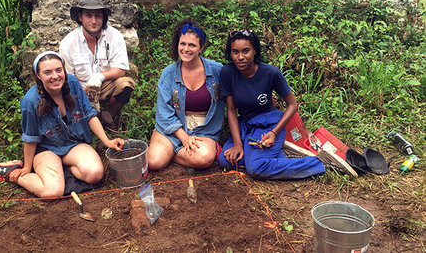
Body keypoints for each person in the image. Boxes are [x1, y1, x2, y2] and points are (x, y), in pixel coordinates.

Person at [0, 51, 124, 198]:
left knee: (95, 174)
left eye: (58, 70)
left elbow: (89, 115)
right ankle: (11, 173)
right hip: (46, 149)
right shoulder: (30, 101)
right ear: (38, 75)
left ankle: (60, 170)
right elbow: (30, 137)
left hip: (73, 144)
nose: (55, 76)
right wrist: (27, 168)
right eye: (47, 72)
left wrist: (107, 141)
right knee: (52, 193)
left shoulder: (72, 83)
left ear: (64, 70)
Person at [217, 29, 350, 179]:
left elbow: (293, 105)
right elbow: (231, 111)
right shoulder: (228, 72)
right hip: (245, 126)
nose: (240, 57)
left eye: (246, 51)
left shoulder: (270, 73)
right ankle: (275, 156)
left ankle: (319, 162)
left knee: (256, 169)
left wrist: (273, 133)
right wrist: (237, 144)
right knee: (225, 160)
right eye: (235, 52)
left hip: (269, 125)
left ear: (254, 51)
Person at [147, 19, 225, 170]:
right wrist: (184, 138)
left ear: (201, 48)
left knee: (204, 158)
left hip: (204, 129)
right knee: (154, 162)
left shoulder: (217, 71)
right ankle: (168, 152)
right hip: (173, 128)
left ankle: (170, 154)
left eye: (192, 45)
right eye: (182, 44)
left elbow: (237, 89)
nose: (186, 49)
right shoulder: (168, 74)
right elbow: (163, 112)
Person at [59, 0, 135, 131]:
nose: (94, 21)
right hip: (79, 89)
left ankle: (109, 115)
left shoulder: (114, 36)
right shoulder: (68, 43)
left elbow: (120, 69)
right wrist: (84, 93)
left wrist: (98, 77)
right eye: (88, 15)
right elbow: (68, 78)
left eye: (98, 16)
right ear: (80, 17)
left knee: (126, 85)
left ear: (103, 18)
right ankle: (93, 118)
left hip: (106, 85)